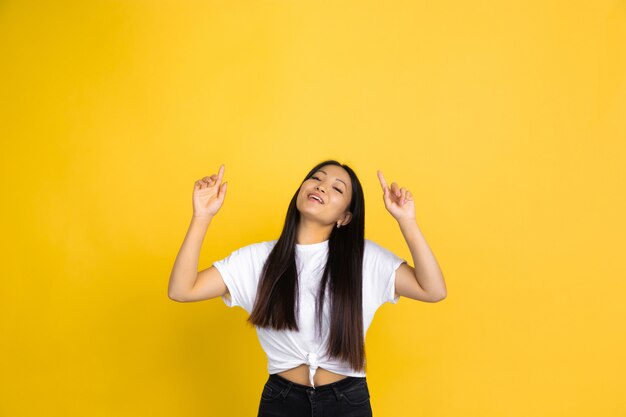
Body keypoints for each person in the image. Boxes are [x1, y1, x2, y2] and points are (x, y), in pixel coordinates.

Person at [168, 159, 447, 417]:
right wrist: (202, 216)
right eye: (316, 178)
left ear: (345, 218)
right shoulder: (256, 259)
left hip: (348, 402)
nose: (321, 186)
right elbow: (182, 290)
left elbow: (432, 290)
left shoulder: (364, 259)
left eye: (337, 188)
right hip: (281, 401)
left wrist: (406, 221)